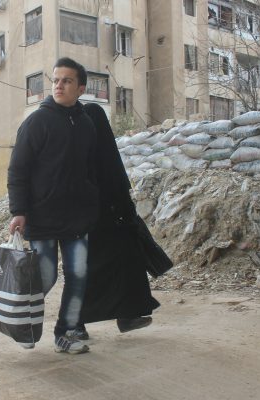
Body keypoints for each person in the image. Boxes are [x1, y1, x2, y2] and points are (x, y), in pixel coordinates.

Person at [8, 57, 99, 355]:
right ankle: (22, 324)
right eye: (56, 80)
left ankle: (67, 333)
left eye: (67, 81)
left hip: (76, 220)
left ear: (80, 88)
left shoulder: (86, 124)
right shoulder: (37, 121)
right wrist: (18, 211)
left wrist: (91, 205)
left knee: (79, 275)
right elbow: (18, 170)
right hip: (42, 218)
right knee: (45, 278)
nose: (59, 85)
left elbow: (91, 170)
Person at [78, 103, 160, 339]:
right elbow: (116, 182)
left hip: (92, 223)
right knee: (99, 272)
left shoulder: (79, 149)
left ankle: (128, 315)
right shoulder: (99, 149)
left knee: (117, 268)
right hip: (106, 221)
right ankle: (76, 324)